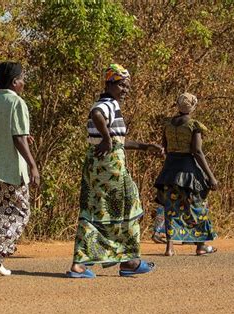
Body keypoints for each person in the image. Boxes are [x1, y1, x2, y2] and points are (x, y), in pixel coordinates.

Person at [68, 64, 163, 278]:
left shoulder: (110, 105)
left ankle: (102, 262)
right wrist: (107, 138)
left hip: (99, 166)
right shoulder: (107, 104)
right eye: (121, 85)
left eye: (127, 86)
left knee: (100, 210)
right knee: (128, 206)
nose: (125, 89)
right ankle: (128, 261)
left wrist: (145, 147)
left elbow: (117, 141)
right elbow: (96, 115)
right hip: (109, 169)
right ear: (109, 83)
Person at [0, 62, 39, 276]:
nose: (24, 83)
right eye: (22, 79)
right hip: (10, 170)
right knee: (20, 213)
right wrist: (33, 165)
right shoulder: (17, 102)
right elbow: (18, 138)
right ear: (14, 82)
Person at [154, 93, 218, 256]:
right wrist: (210, 176)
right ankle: (201, 245)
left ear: (178, 105)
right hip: (188, 170)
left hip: (169, 170)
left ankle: (169, 248)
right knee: (198, 206)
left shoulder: (168, 124)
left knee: (170, 207)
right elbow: (197, 151)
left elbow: (165, 147)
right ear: (193, 106)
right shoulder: (193, 125)